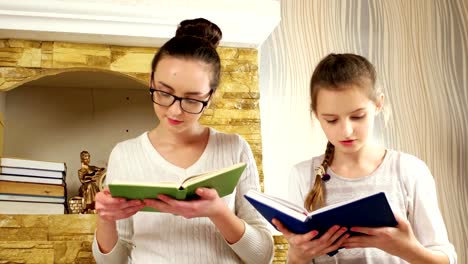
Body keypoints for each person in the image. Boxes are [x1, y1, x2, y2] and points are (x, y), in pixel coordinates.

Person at [92, 18, 274, 263]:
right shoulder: (125, 154)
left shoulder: (234, 147)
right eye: (164, 93)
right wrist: (105, 219)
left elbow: (262, 256)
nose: (175, 111)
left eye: (192, 99)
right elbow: (113, 262)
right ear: (151, 82)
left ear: (210, 96)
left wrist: (218, 212)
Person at [272, 53, 457, 264]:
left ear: (378, 104)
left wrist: (407, 249)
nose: (346, 130)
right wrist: (297, 256)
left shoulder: (409, 170)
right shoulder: (302, 175)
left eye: (357, 116)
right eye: (331, 120)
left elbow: (446, 259)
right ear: (316, 114)